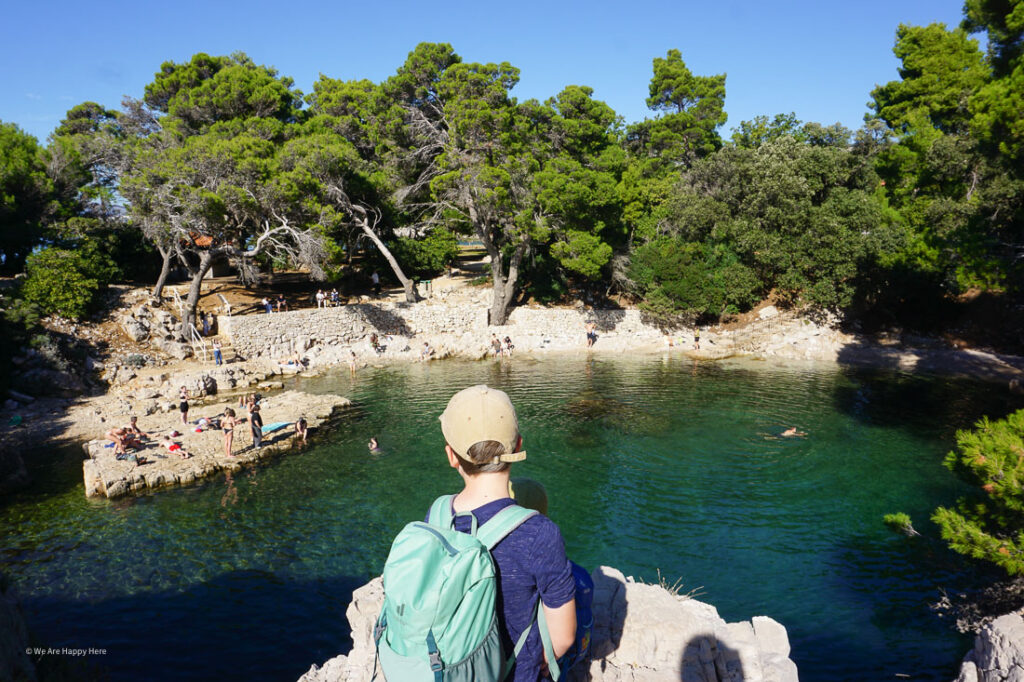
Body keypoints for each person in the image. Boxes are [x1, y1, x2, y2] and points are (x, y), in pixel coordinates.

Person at [436, 385, 576, 680]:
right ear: (518, 446)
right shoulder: (539, 533)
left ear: (451, 456)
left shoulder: (437, 514)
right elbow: (563, 638)